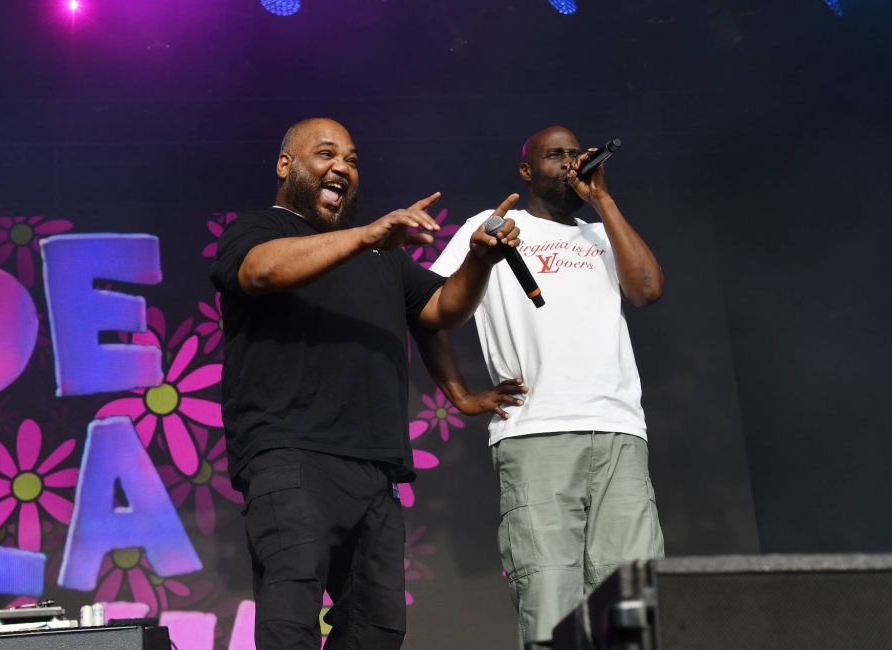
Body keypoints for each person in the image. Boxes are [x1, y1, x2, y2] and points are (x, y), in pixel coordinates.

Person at [209, 117, 521, 650]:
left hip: (373, 465)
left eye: (352, 160)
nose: (342, 168)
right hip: (289, 454)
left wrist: (479, 259)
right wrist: (365, 234)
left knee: (377, 626)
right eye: (326, 155)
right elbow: (260, 272)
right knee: (291, 618)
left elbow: (442, 309)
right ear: (286, 166)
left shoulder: (384, 258)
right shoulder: (261, 228)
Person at [415, 126, 665, 649]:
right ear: (527, 170)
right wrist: (460, 396)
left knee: (632, 605)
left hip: (619, 431)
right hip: (537, 434)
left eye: (576, 155)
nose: (570, 163)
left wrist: (604, 200)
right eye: (555, 156)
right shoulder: (493, 229)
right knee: (553, 601)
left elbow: (646, 290)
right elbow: (426, 313)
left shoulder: (602, 234)